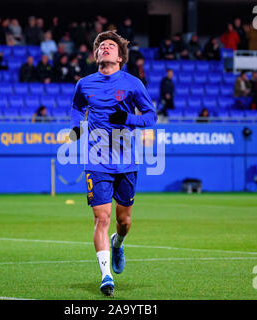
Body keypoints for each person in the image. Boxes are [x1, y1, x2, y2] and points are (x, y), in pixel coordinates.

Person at [69, 30, 157, 297]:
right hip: (96, 161)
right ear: (96, 55)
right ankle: (106, 276)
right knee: (101, 218)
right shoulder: (84, 83)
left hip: (126, 161)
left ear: (120, 57)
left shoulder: (133, 84)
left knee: (124, 220)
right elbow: (76, 108)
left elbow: (151, 117)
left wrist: (128, 119)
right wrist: (76, 128)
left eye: (110, 46)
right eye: (101, 46)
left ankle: (118, 244)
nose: (105, 48)